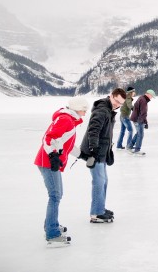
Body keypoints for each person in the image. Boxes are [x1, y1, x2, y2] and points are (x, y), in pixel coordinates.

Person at [34, 96, 89, 247]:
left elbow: (66, 145)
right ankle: (52, 233)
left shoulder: (69, 121)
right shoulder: (65, 119)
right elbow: (48, 138)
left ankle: (51, 225)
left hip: (52, 162)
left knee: (57, 194)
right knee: (55, 196)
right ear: (77, 108)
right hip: (48, 162)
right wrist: (52, 155)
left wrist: (84, 156)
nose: (85, 113)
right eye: (84, 110)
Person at [79, 88, 126, 223]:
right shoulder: (102, 110)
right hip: (96, 152)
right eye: (116, 101)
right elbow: (93, 131)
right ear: (111, 96)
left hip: (102, 152)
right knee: (99, 182)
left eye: (120, 104)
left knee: (103, 181)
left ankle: (100, 208)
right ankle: (96, 213)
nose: (117, 104)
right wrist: (94, 149)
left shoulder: (108, 110)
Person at [128, 89, 155, 156]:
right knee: (140, 135)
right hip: (138, 120)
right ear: (148, 94)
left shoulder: (141, 98)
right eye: (152, 96)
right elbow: (143, 113)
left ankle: (130, 146)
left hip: (136, 119)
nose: (151, 98)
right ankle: (137, 150)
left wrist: (145, 122)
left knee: (138, 133)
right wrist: (142, 122)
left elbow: (139, 110)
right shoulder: (143, 101)